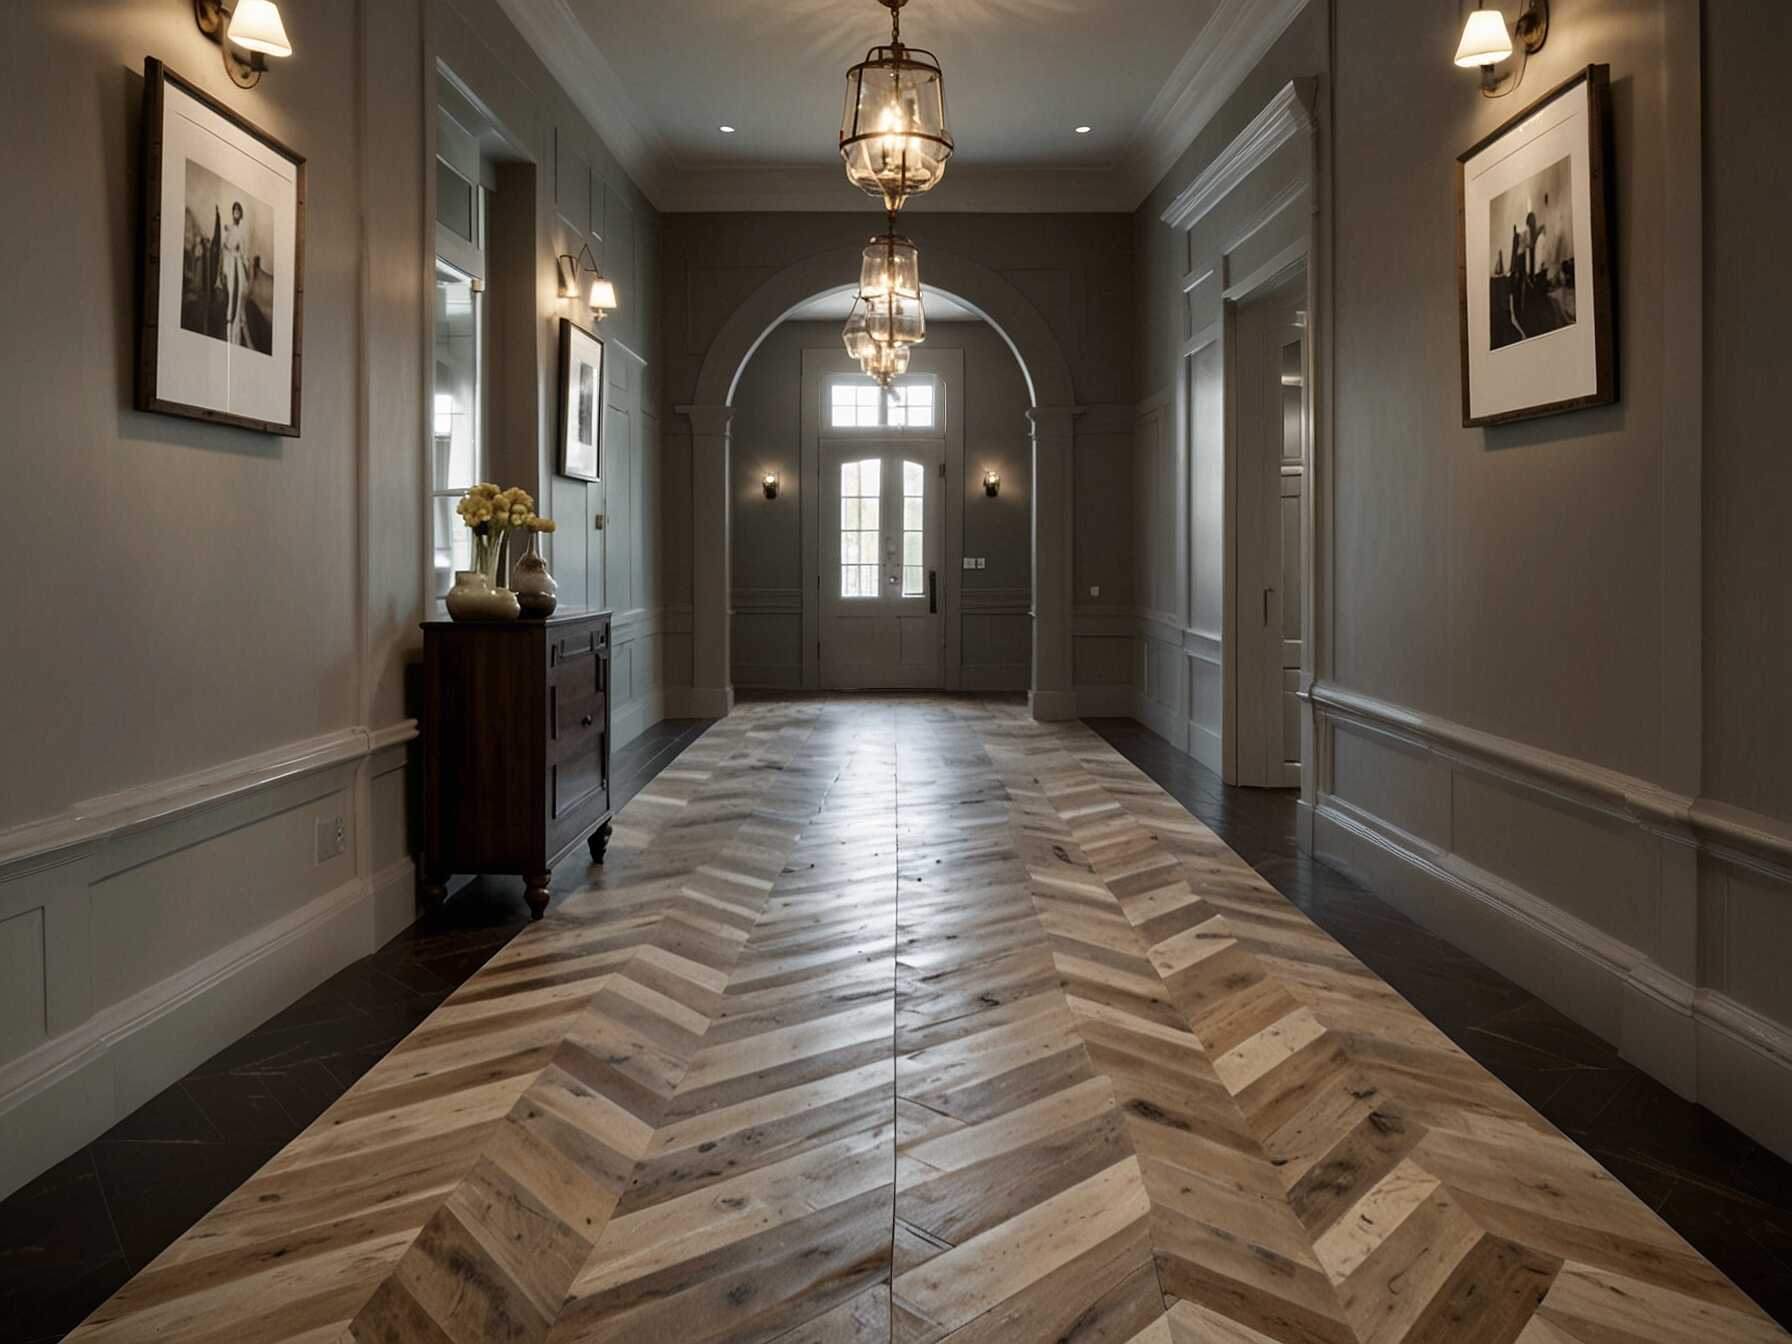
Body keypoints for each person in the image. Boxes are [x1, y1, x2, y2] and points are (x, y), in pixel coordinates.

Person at [221, 201, 252, 348]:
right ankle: (228, 325)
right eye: (235, 210)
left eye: (239, 211)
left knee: (239, 293)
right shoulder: (228, 229)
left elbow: (244, 251)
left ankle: (236, 331)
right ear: (232, 212)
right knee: (232, 292)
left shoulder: (242, 231)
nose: (237, 213)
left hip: (239, 263)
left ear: (241, 214)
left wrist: (245, 266)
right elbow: (225, 246)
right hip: (230, 264)